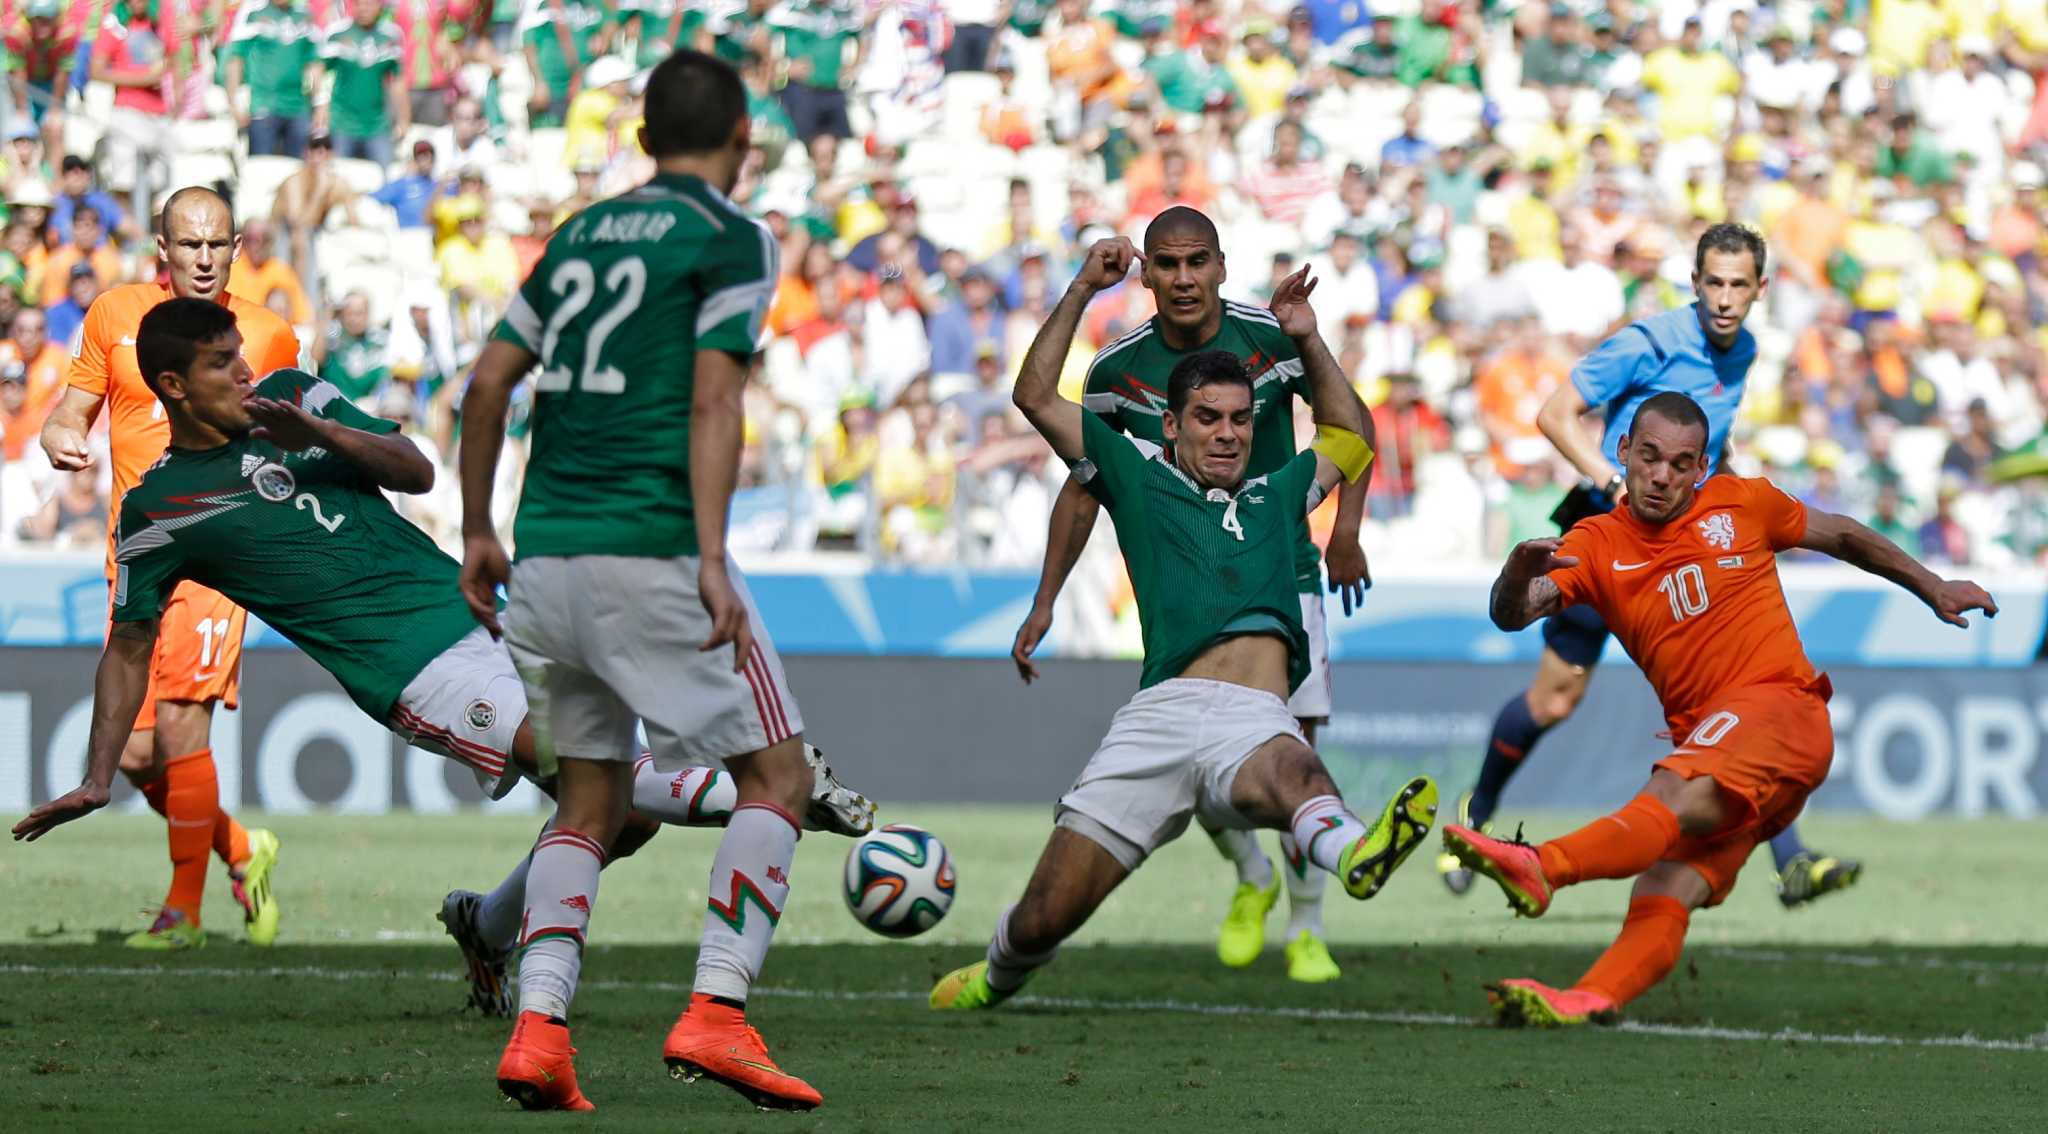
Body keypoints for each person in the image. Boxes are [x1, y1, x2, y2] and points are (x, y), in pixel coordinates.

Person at [11, 300, 872, 1018]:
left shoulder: (293, 393)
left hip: (486, 617)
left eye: (239, 356)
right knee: (596, 775)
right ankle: (781, 791)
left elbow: (413, 468)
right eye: (218, 365)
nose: (243, 373)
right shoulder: (160, 506)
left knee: (628, 819)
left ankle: (489, 926)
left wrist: (312, 427)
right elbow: (128, 646)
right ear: (171, 385)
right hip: (413, 670)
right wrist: (97, 776)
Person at [932, 237, 1437, 1012]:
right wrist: (1078, 291)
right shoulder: (1138, 479)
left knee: (1301, 772)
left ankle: (1353, 855)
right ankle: (996, 976)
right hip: (1159, 721)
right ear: (1172, 426)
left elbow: (1351, 432)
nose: (1230, 433)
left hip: (1253, 721)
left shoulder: (1284, 494)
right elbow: (1034, 397)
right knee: (1044, 918)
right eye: (1208, 418)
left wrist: (1306, 335)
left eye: (1240, 418)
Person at [458, 50, 826, 1113]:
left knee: (588, 799)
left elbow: (486, 389)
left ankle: (538, 1030)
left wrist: (480, 529)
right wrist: (711, 557)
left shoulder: (574, 236)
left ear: (638, 139)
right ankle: (718, 1012)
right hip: (652, 547)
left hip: (545, 558)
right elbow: (714, 402)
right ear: (743, 142)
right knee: (778, 779)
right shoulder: (730, 236)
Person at [1446, 391, 1996, 1026]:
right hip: (1730, 755)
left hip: (1781, 709)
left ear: (1701, 467)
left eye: (1680, 464)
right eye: (1649, 457)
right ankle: (1589, 998)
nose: (1661, 475)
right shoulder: (1594, 542)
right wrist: (1516, 574)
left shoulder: (1741, 503)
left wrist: (1933, 587)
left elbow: (1841, 533)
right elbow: (1513, 614)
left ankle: (1544, 867)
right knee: (1663, 888)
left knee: (1669, 795)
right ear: (1622, 452)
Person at [1440, 223, 1863, 910]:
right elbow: (1555, 415)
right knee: (1555, 699)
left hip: (1682, 533)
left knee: (1742, 689)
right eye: (1715, 283)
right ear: (1694, 284)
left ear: (1761, 289)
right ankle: (1478, 810)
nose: (1725, 299)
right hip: (1611, 530)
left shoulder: (1745, 351)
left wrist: (1729, 501)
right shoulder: (1650, 342)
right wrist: (1610, 483)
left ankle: (1791, 858)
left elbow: (1707, 449)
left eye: (1739, 284)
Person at [1009, 207, 1372, 984]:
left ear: (1219, 266)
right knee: (1204, 751)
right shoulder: (1114, 374)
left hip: (1283, 562)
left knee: (1293, 749)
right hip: (1183, 578)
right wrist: (1046, 598)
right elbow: (1082, 482)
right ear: (1144, 271)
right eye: (1166, 264)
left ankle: (1306, 927)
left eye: (1196, 262)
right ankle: (1252, 873)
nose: (1182, 278)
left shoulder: (1272, 337)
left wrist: (1344, 534)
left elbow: (1351, 427)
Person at [35, 187, 300, 949]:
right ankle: (243, 850)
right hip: (140, 555)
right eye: (190, 245)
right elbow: (70, 409)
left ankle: (182, 913)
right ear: (162, 249)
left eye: (218, 244)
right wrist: (59, 436)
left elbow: (294, 434)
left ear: (238, 246)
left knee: (184, 726)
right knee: (138, 753)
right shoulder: (116, 315)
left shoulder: (268, 333)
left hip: (219, 556)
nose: (206, 259)